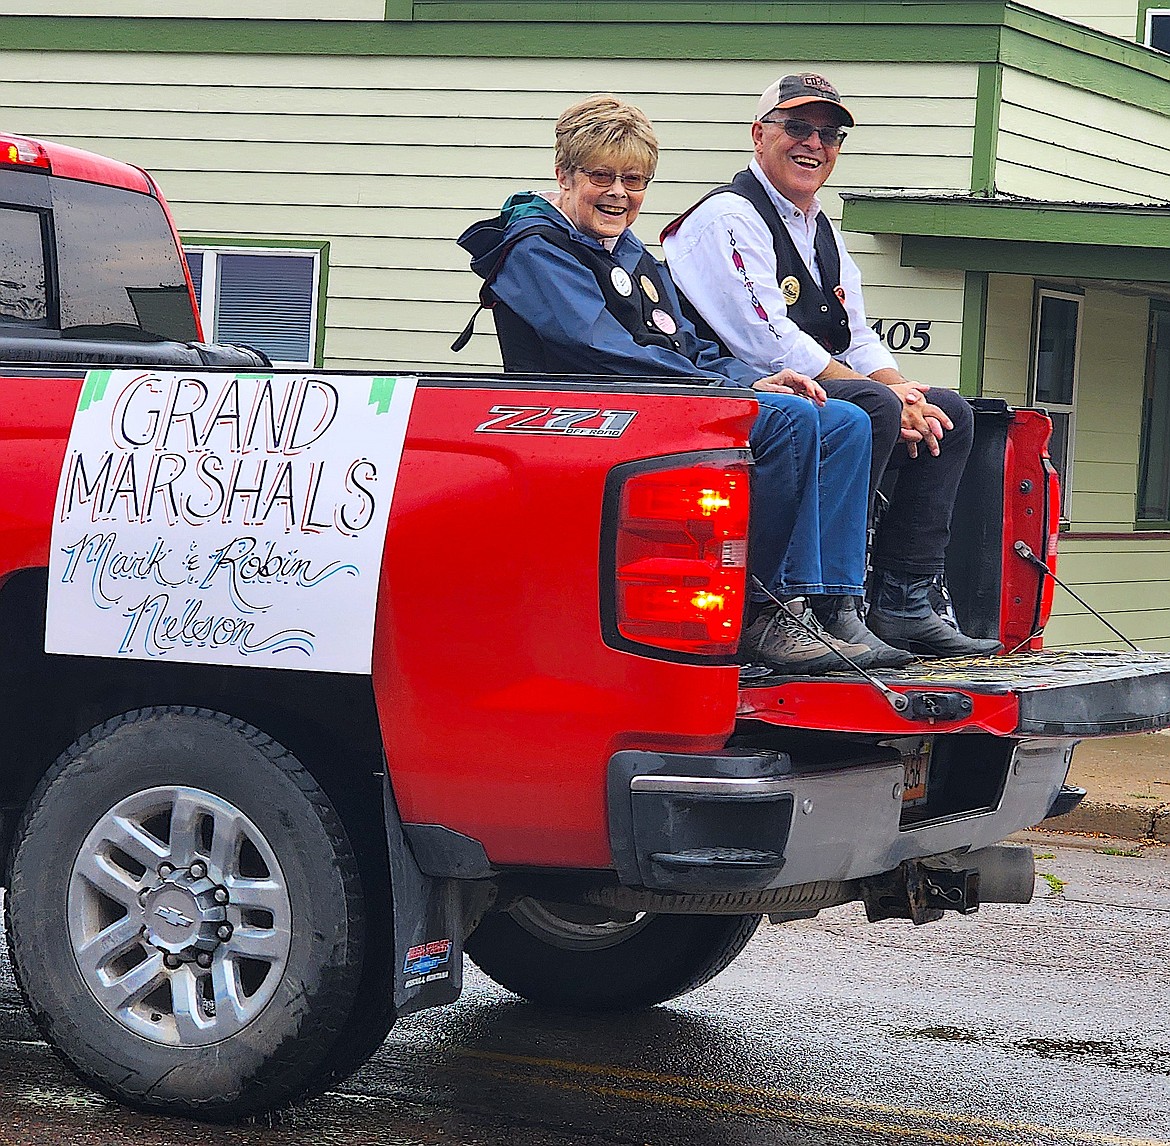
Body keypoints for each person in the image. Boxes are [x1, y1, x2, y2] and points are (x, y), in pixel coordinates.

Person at [456, 93, 912, 674]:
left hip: (658, 399)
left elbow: (686, 348)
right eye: (602, 177)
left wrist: (760, 378)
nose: (620, 194)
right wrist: (733, 394)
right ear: (564, 176)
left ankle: (828, 602)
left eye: (634, 180)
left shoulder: (632, 256)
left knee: (840, 416)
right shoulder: (534, 250)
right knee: (790, 422)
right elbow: (600, 349)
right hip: (590, 417)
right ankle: (760, 609)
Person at [661, 73, 999, 658]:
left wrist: (903, 390)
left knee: (950, 412)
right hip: (740, 391)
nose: (814, 144)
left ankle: (904, 600)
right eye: (797, 128)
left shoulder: (819, 228)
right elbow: (765, 338)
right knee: (868, 406)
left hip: (809, 387)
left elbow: (856, 334)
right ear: (758, 134)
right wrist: (883, 397)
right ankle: (821, 603)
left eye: (830, 133)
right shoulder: (726, 217)